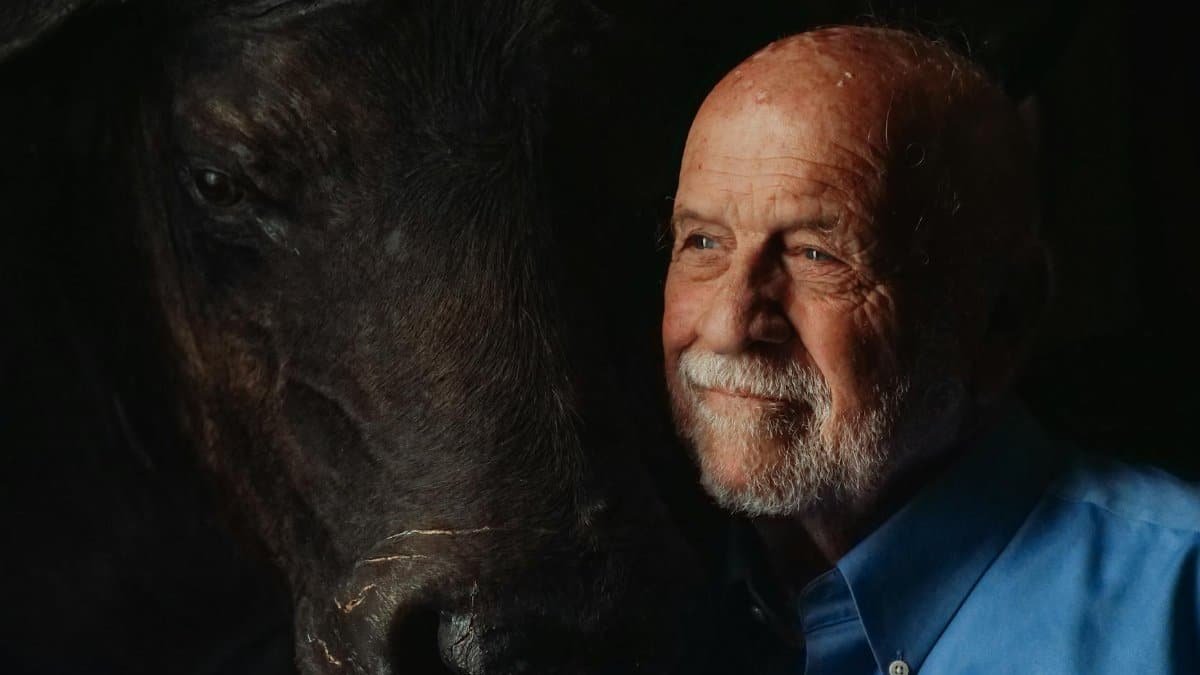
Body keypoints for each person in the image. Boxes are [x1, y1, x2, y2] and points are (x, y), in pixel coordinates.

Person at [663, 25, 1200, 674]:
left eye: (816, 254)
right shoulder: (640, 602)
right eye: (702, 243)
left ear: (1004, 317)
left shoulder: (1179, 602)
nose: (728, 323)